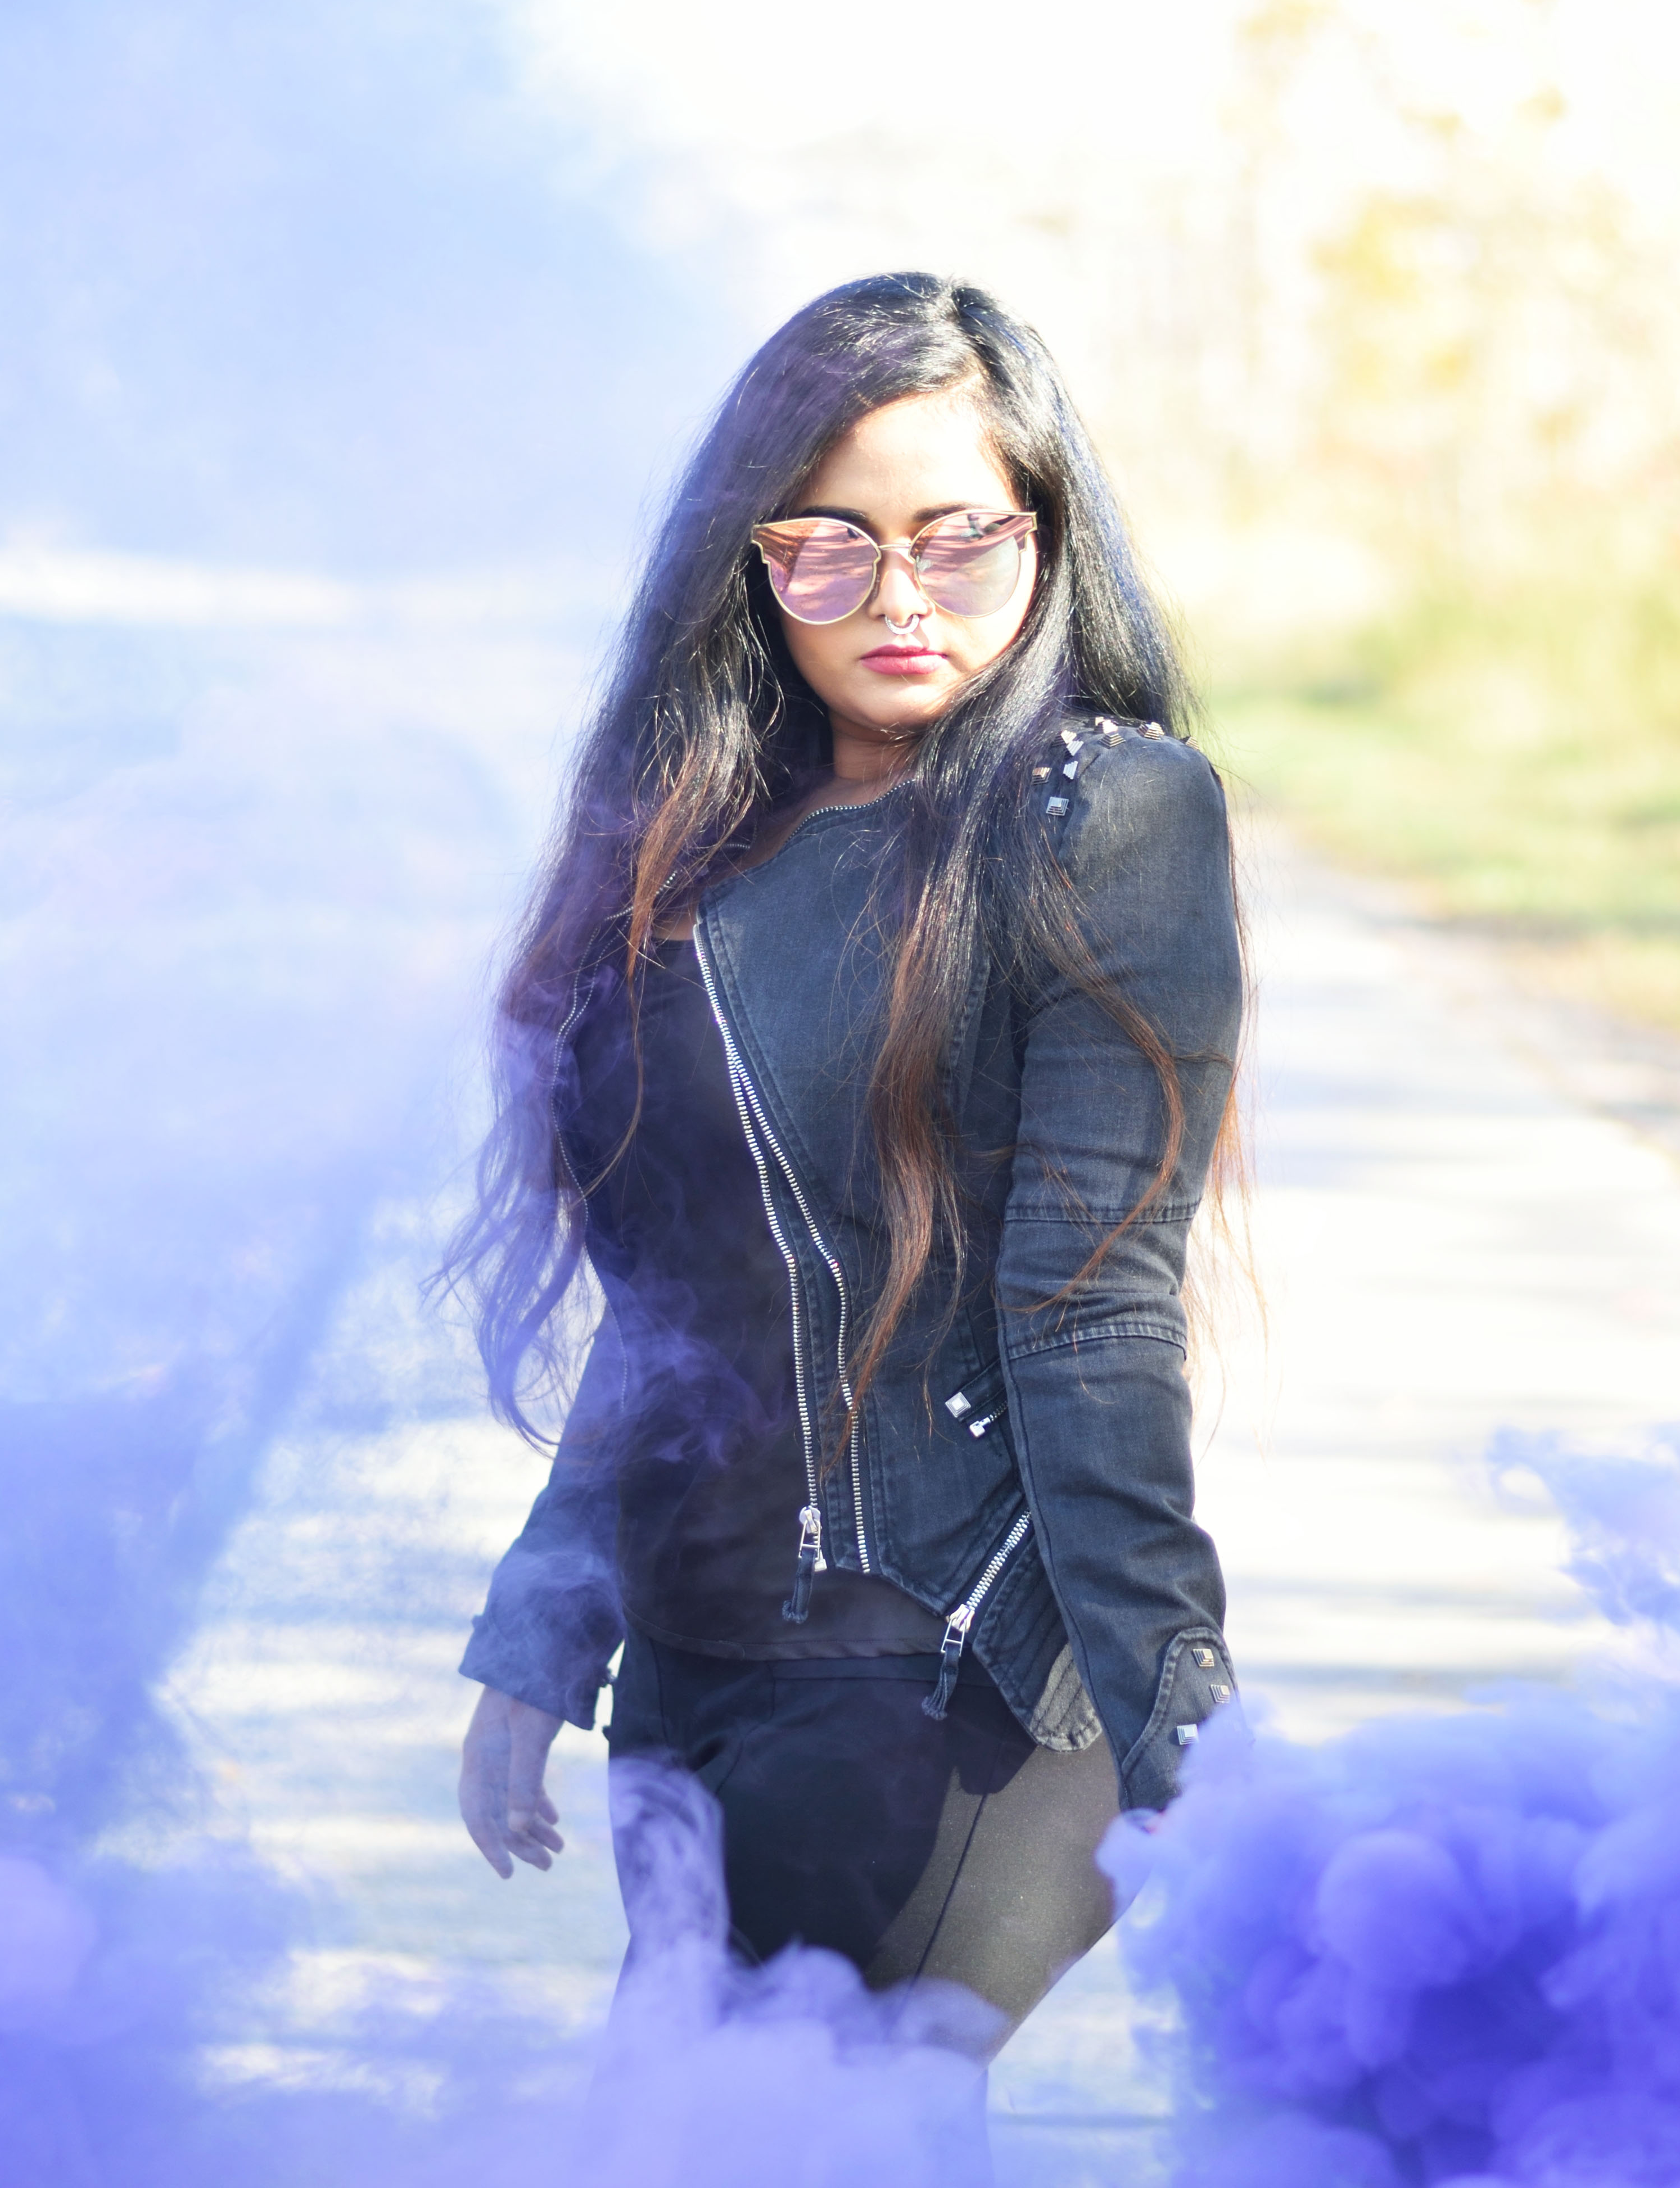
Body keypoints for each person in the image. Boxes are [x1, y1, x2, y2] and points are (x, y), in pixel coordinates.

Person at [440, 272, 1244, 2049]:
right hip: (701, 1682)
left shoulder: (1100, 817)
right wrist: (544, 1628)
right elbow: (678, 1314)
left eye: (959, 540)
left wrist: (1194, 1734)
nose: (899, 598)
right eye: (831, 545)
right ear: (750, 561)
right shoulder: (685, 852)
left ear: (1044, 541)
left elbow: (1090, 1305)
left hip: (960, 1674)